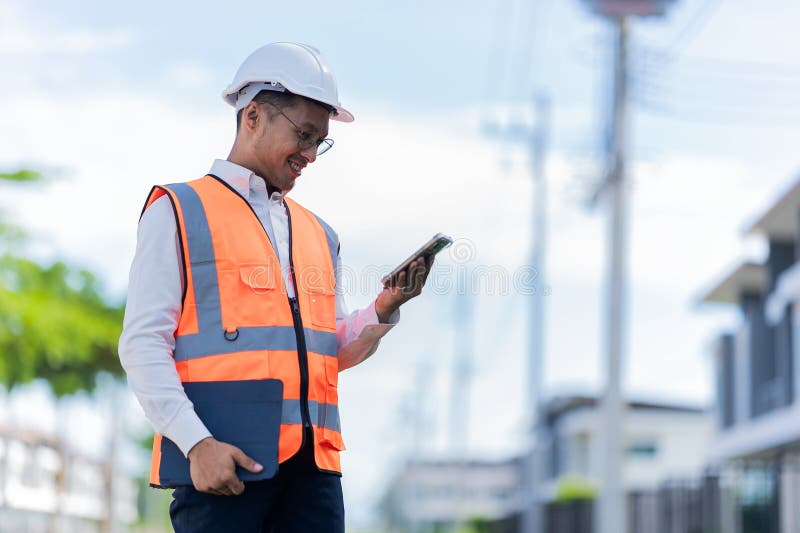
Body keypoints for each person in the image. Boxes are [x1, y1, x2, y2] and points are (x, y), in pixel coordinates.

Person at [118, 42, 434, 533]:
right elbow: (142, 344)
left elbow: (331, 351)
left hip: (313, 477)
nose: (310, 154)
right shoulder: (178, 210)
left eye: (320, 142)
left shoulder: (318, 233)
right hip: (226, 468)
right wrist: (195, 443)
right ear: (254, 117)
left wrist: (384, 307)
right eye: (303, 135)